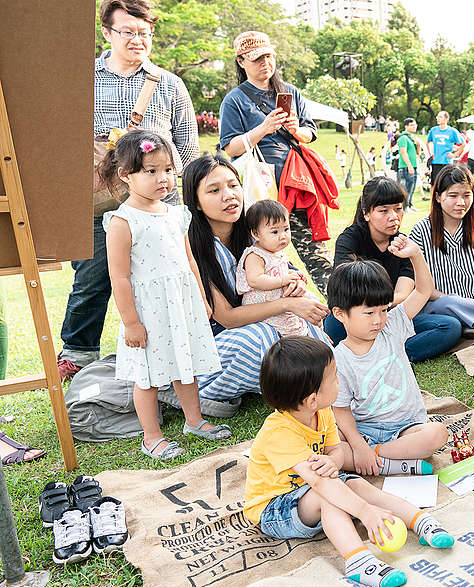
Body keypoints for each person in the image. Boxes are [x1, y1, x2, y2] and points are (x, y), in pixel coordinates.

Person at [58, 0, 200, 381]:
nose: (138, 39)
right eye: (128, 31)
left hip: (159, 207)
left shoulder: (169, 84)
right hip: (97, 203)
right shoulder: (80, 80)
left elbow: (187, 148)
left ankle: (171, 352)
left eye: (145, 32)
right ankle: (78, 354)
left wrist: (172, 200)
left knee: (165, 278)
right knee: (92, 278)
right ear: (107, 33)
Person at [244, 337, 453, 587]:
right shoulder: (279, 432)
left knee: (358, 485)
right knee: (329, 497)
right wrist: (365, 512)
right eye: (334, 377)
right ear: (311, 399)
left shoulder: (322, 412)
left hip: (311, 488)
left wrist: (333, 461)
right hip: (275, 507)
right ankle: (358, 561)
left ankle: (419, 520)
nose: (339, 381)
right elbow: (321, 483)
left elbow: (335, 451)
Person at [98, 131, 229, 460]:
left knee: (187, 367)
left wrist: (201, 299)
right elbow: (120, 277)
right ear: (126, 176)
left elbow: (190, 262)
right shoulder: (122, 221)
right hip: (148, 311)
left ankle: (194, 420)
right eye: (151, 171)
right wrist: (131, 323)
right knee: (149, 378)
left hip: (181, 305)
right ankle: (152, 436)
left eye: (168, 169)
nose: (163, 178)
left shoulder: (176, 214)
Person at [183, 154, 330, 402]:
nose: (228, 195)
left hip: (265, 320)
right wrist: (287, 304)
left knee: (308, 321)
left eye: (233, 185)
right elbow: (227, 318)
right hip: (218, 341)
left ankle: (300, 380)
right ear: (196, 202)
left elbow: (286, 271)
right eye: (214, 190)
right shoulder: (194, 249)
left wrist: (295, 286)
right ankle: (206, 392)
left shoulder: (254, 232)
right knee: (259, 338)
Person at [219, 31, 333, 296]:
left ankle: (340, 310)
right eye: (257, 59)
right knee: (257, 253)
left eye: (269, 56)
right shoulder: (234, 100)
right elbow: (230, 147)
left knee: (316, 255)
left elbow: (310, 133)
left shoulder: (290, 91)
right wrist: (264, 128)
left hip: (296, 182)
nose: (265, 63)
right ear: (241, 60)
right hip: (261, 189)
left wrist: (296, 130)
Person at [328, 243, 449, 477]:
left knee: (437, 434)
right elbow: (340, 409)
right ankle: (393, 461)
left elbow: (423, 291)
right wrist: (358, 442)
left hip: (406, 427)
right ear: (340, 313)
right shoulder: (339, 358)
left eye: (383, 310)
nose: (378, 320)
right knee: (328, 443)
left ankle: (375, 456)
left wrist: (415, 255)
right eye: (369, 313)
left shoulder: (392, 326)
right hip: (363, 428)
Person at [328, 177, 461, 361]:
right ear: (366, 213)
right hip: (358, 315)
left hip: (390, 315)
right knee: (334, 325)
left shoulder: (402, 244)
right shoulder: (350, 239)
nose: (394, 216)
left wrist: (384, 306)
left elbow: (403, 293)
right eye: (383, 211)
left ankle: (391, 354)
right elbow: (346, 284)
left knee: (450, 327)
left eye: (398, 208)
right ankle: (380, 350)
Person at [409, 164, 474, 338]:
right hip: (439, 303)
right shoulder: (421, 231)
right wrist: (461, 301)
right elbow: (421, 287)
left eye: (466, 195)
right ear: (438, 197)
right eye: (453, 195)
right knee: (448, 302)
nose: (461, 202)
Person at [236, 199, 313, 338]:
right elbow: (255, 280)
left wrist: (293, 276)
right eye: (275, 232)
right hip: (262, 307)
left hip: (277, 302)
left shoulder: (276, 252)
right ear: (256, 234)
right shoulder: (255, 255)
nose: (282, 236)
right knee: (291, 330)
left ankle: (317, 332)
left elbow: (277, 271)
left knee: (310, 304)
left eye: (286, 229)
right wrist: (283, 280)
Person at [426, 111, 464, 186]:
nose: (437, 118)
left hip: (447, 162)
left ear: (446, 119)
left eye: (440, 117)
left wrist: (455, 155)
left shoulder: (452, 131)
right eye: (437, 116)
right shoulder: (433, 130)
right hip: (435, 162)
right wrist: (431, 153)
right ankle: (433, 198)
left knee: (447, 184)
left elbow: (463, 144)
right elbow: (428, 142)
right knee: (434, 184)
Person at [395, 118, 420, 211]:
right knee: (405, 188)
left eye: (415, 125)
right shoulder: (403, 138)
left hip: (413, 166)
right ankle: (404, 207)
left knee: (412, 187)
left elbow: (417, 153)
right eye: (412, 125)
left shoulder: (412, 138)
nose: (414, 127)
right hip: (405, 167)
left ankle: (409, 204)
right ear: (406, 126)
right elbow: (403, 152)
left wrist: (418, 144)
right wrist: (409, 165)